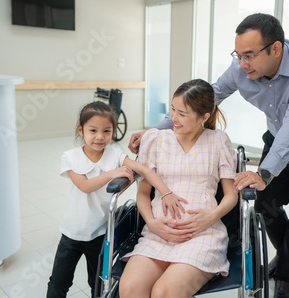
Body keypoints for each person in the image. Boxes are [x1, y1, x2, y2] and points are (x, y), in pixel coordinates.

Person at [129, 13, 289, 298]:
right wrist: (154, 131)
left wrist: (264, 173)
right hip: (278, 140)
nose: (242, 64)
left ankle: (286, 276)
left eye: (249, 56)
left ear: (275, 49)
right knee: (263, 203)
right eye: (238, 55)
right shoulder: (240, 68)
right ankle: (288, 252)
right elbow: (207, 98)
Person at [46, 101, 185, 298]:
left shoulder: (114, 154)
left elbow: (144, 170)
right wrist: (113, 173)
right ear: (81, 129)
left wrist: (166, 192)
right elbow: (85, 187)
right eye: (93, 130)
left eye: (107, 131)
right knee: (59, 283)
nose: (100, 137)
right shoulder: (71, 158)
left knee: (98, 283)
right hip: (72, 234)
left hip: (101, 233)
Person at [119, 79, 238, 298]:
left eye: (182, 113)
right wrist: (153, 224)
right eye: (173, 109)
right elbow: (143, 193)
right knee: (129, 289)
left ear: (204, 117)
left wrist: (211, 216)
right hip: (158, 233)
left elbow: (231, 195)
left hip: (202, 234)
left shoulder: (218, 141)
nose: (174, 117)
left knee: (165, 292)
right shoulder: (155, 140)